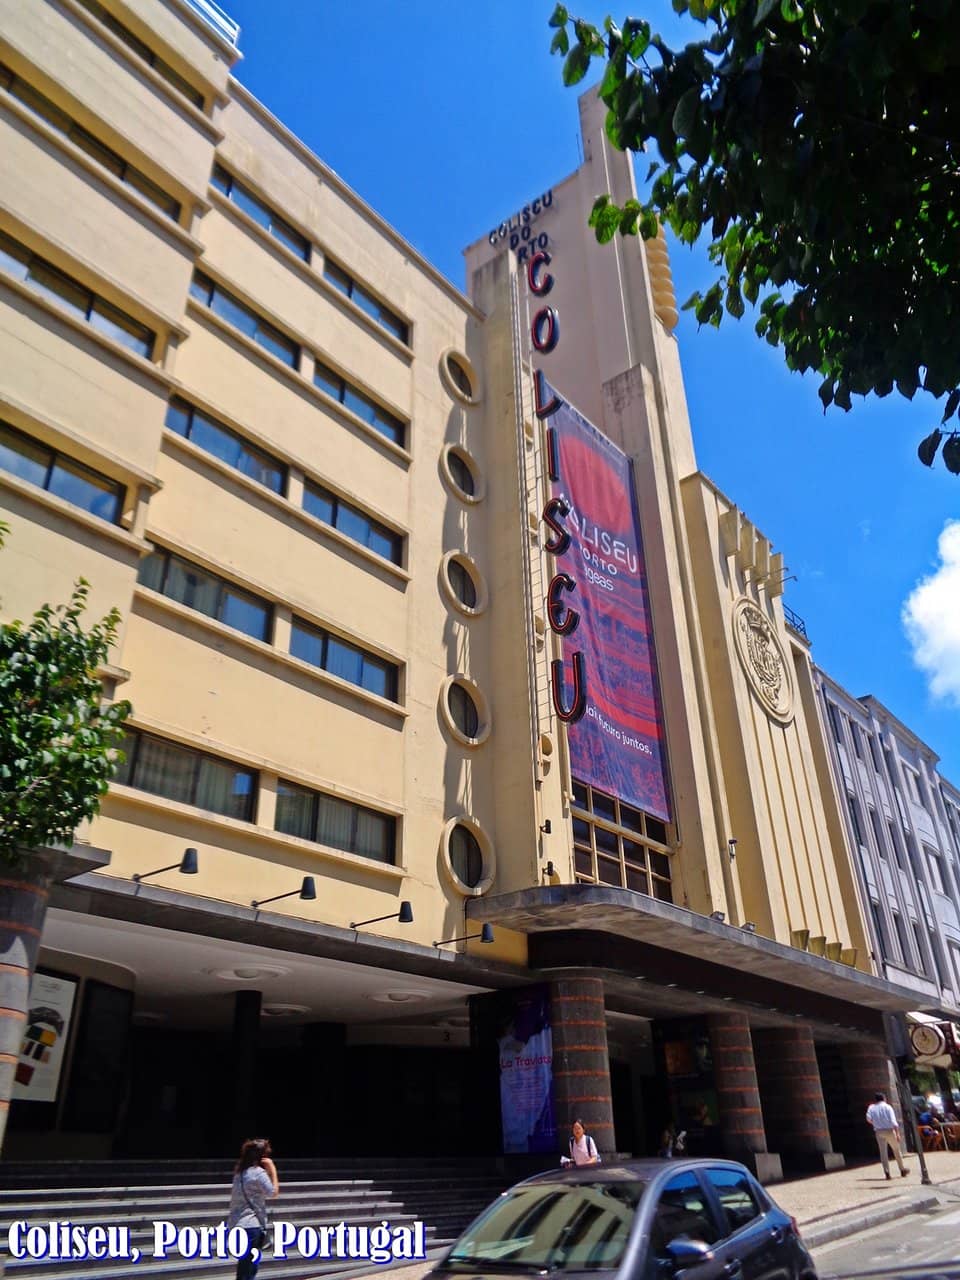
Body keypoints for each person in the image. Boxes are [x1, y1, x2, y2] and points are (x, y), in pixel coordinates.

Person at [228, 1137, 279, 1280]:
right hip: (251, 1225)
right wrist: (272, 1170)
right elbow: (273, 1192)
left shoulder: (240, 1173)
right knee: (249, 1268)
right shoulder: (258, 1173)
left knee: (243, 1267)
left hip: (236, 1224)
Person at [865, 1092, 909, 1180]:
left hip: (878, 1131)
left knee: (883, 1153)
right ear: (884, 1098)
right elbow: (893, 1121)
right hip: (889, 1130)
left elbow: (868, 1119)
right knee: (896, 1150)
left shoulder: (871, 1107)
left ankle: (887, 1172)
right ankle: (902, 1169)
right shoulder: (888, 1107)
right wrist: (897, 1133)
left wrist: (875, 1123)